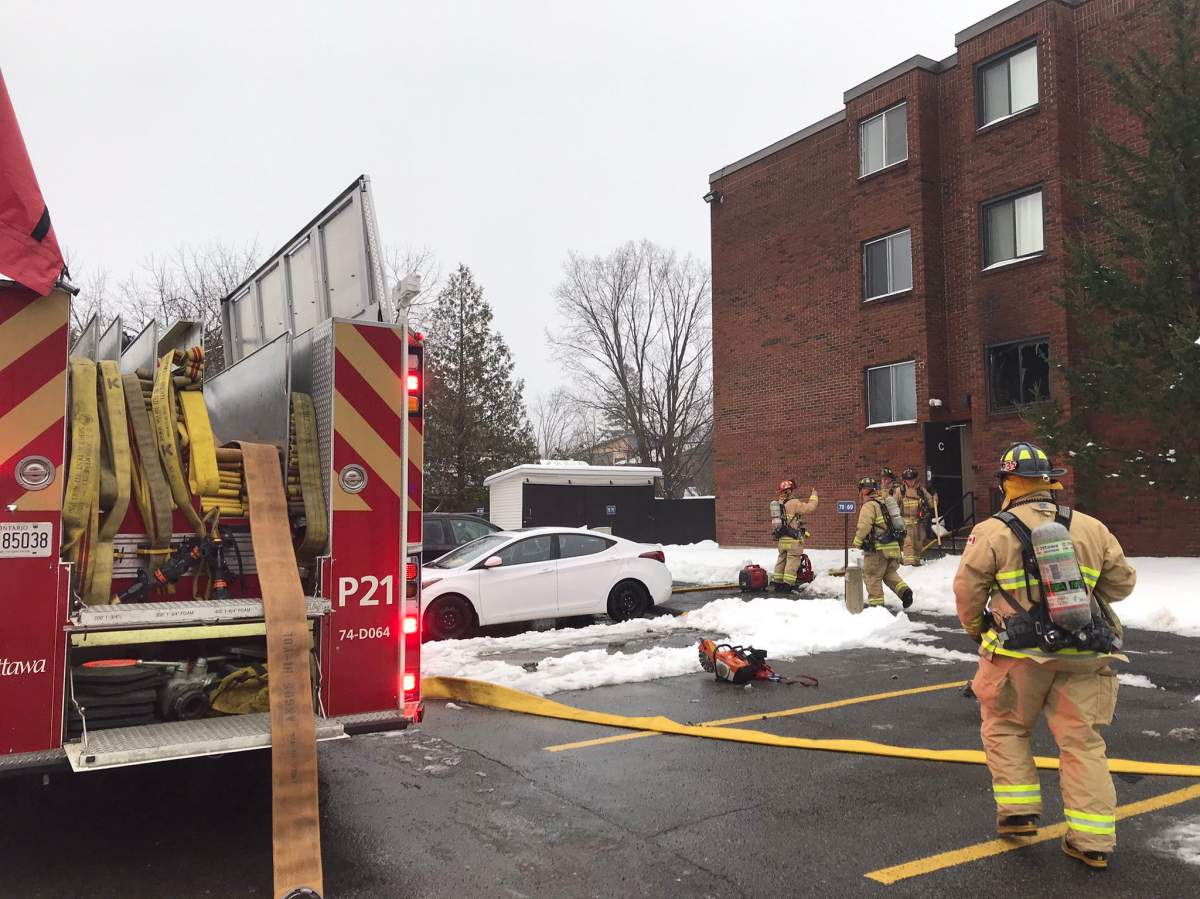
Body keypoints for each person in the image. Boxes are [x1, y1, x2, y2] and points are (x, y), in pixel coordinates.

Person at [954, 441, 1137, 870]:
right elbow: (1121, 586)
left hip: (1017, 656)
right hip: (1085, 653)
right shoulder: (1091, 527)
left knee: (1005, 727)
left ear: (1007, 482)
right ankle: (1092, 840)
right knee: (1082, 744)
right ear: (1049, 482)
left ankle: (1018, 814)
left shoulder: (992, 531)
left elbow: (968, 591)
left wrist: (977, 629)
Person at [851, 475, 912, 609]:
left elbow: (864, 526)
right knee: (889, 573)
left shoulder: (869, 505)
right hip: (893, 547)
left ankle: (876, 608)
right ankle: (905, 591)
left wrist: (857, 542)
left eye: (861, 490)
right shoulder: (884, 503)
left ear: (863, 491)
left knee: (872, 577)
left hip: (877, 550)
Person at [770, 479, 818, 592]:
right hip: (793, 539)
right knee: (792, 561)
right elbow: (810, 508)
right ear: (790, 491)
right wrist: (814, 496)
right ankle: (788, 584)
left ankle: (777, 582)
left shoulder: (778, 504)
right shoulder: (794, 503)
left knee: (781, 560)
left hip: (781, 539)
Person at [899, 467, 936, 566]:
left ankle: (916, 564)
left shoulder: (921, 491)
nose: (910, 482)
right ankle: (909, 565)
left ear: (916, 479)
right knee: (908, 543)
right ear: (904, 480)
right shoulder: (900, 491)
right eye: (908, 480)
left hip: (919, 524)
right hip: (905, 524)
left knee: (918, 545)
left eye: (912, 479)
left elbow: (931, 504)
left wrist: (934, 499)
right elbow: (893, 505)